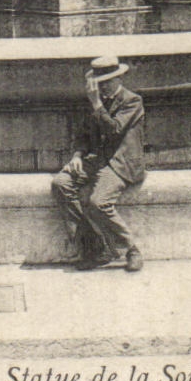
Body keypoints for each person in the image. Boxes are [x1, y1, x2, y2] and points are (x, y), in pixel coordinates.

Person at [51, 55, 145, 272]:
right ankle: (95, 247)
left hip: (120, 163)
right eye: (99, 83)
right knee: (61, 184)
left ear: (119, 79)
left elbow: (114, 130)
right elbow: (84, 135)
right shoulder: (95, 103)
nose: (102, 87)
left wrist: (96, 103)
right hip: (97, 161)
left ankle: (131, 249)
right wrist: (76, 156)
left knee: (98, 203)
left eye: (107, 82)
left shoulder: (132, 101)